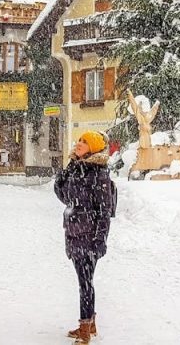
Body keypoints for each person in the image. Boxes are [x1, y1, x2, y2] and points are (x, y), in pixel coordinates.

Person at [53, 130, 117, 343]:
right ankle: (90, 324)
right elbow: (66, 197)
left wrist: (100, 240)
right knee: (85, 281)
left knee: (85, 283)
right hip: (74, 233)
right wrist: (63, 176)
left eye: (84, 142)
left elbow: (104, 211)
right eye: (79, 140)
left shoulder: (99, 173)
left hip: (89, 237)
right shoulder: (76, 168)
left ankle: (85, 330)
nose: (78, 143)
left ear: (94, 147)